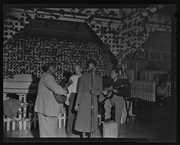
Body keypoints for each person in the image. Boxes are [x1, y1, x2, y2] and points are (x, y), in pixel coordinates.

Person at [34, 63, 67, 137]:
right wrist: (65, 92)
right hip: (47, 110)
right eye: (54, 69)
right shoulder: (48, 77)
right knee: (49, 133)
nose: (55, 71)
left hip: (46, 109)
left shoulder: (44, 77)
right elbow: (57, 89)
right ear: (50, 69)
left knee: (47, 133)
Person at [74, 59, 102, 138]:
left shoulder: (99, 78)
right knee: (84, 121)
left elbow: (100, 90)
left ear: (95, 68)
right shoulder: (83, 77)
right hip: (84, 101)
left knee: (92, 120)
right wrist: (77, 104)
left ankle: (91, 137)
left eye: (92, 67)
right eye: (89, 67)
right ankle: (83, 137)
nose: (91, 68)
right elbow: (79, 91)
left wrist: (94, 93)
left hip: (93, 100)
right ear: (87, 68)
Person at [99, 67, 130, 137]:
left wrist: (118, 91)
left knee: (118, 116)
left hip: (119, 98)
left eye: (112, 73)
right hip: (111, 98)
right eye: (111, 73)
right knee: (107, 101)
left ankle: (116, 134)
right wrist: (105, 91)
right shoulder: (110, 81)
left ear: (116, 74)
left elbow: (125, 92)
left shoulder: (122, 82)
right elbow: (106, 88)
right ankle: (108, 118)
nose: (111, 74)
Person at [66, 63, 82, 137]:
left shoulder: (84, 77)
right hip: (72, 96)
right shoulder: (71, 78)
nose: (76, 71)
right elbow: (69, 89)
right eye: (75, 70)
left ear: (81, 69)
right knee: (70, 115)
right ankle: (69, 133)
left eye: (78, 69)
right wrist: (67, 99)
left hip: (81, 96)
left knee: (81, 115)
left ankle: (80, 131)